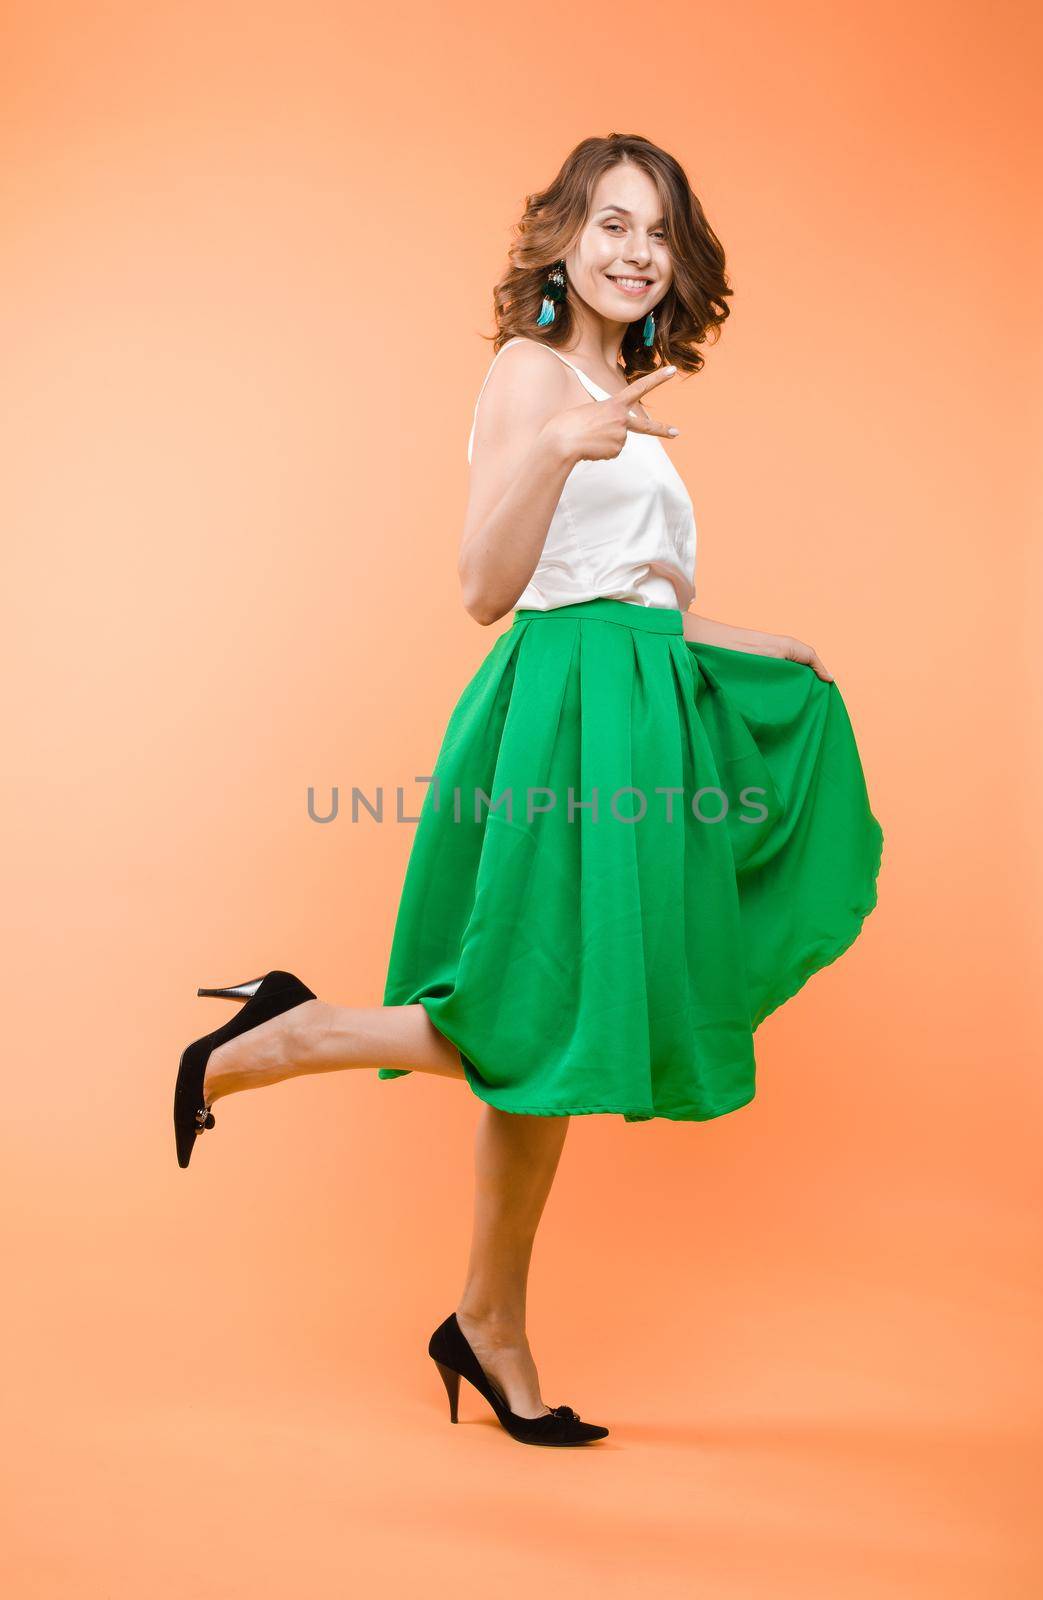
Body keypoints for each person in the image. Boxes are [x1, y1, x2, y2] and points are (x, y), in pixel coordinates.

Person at [173, 133, 883, 1449]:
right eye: (611, 223)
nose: (635, 251)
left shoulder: (625, 388)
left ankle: (485, 1322)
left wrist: (751, 641)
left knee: (565, 1029)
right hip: (562, 718)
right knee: (541, 1011)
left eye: (659, 233)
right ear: (562, 238)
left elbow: (632, 594)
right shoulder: (531, 377)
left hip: (639, 703)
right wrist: (557, 442)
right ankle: (292, 1032)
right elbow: (486, 588)